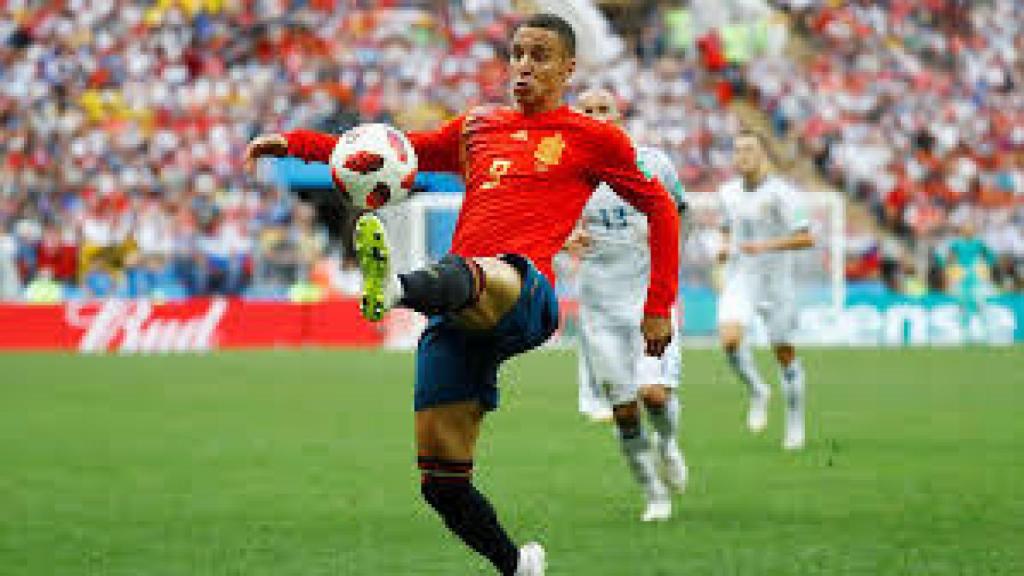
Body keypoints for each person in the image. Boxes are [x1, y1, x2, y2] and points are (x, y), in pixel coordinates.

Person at [243, 14, 680, 576]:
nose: (523, 64)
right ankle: (517, 565)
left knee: (486, 269)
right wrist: (298, 145)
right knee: (442, 481)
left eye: (540, 55)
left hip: (525, 293)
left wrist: (657, 306)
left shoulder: (592, 138)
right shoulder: (478, 126)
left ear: (569, 69)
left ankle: (395, 286)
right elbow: (396, 153)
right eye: (517, 52)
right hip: (453, 309)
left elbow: (661, 208)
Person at [565, 87, 687, 522]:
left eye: (604, 109)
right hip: (599, 309)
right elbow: (550, 225)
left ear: (619, 115)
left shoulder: (653, 163)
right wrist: (565, 238)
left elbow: (680, 214)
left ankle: (669, 444)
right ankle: (654, 494)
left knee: (654, 395)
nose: (597, 116)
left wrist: (669, 273)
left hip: (649, 302)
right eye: (587, 111)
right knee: (624, 412)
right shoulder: (568, 172)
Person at [716, 130, 813, 450]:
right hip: (740, 279)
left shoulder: (783, 194)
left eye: (749, 150)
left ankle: (795, 422)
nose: (742, 156)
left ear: (763, 155)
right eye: (737, 150)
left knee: (783, 353)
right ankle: (758, 390)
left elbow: (806, 237)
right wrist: (723, 247)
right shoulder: (727, 193)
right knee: (730, 341)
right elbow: (725, 227)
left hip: (776, 283)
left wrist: (766, 245)